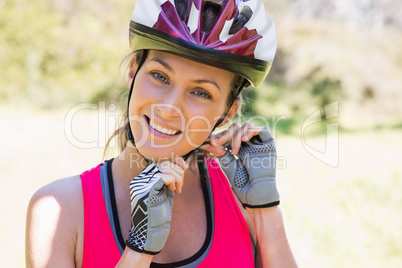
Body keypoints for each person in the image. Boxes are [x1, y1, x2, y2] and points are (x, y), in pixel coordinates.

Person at [26, 0, 297, 267]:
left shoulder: (243, 206)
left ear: (227, 113)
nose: (169, 109)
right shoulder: (58, 211)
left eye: (201, 92)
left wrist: (265, 211)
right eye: (160, 76)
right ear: (133, 71)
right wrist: (139, 250)